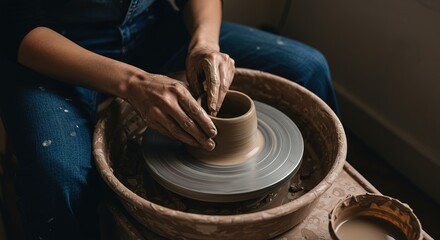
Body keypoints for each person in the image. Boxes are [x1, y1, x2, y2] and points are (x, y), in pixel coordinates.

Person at [0, 0, 340, 239]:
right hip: (56, 44)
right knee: (57, 174)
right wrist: (134, 83)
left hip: (151, 28)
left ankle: (338, 216)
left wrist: (204, 44)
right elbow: (15, 25)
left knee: (308, 68)